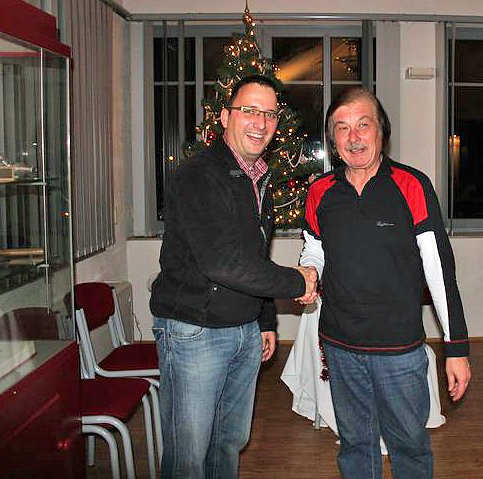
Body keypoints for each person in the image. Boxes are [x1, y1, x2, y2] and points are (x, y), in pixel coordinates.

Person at [150, 75, 318, 479]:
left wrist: (264, 320)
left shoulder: (258, 177)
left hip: (243, 331)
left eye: (270, 114)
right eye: (249, 111)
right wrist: (299, 282)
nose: (261, 123)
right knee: (188, 456)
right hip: (195, 332)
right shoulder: (199, 175)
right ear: (225, 117)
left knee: (228, 442)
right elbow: (222, 263)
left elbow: (254, 256)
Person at [300, 87, 471, 479]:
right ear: (333, 140)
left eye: (363, 125)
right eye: (342, 128)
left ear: (381, 131)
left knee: (409, 447)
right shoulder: (320, 192)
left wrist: (456, 348)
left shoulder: (412, 186)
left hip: (399, 349)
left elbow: (439, 273)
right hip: (340, 345)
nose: (353, 137)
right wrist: (308, 271)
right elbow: (315, 250)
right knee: (355, 447)